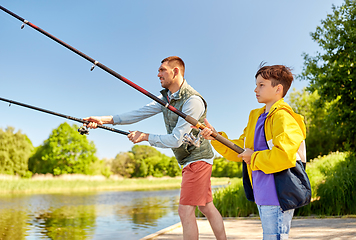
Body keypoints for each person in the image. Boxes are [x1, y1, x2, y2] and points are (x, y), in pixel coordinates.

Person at [83, 56, 226, 240]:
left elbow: (176, 140)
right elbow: (139, 113)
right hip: (187, 160)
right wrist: (103, 120)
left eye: (162, 70)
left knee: (184, 211)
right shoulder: (165, 97)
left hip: (197, 159)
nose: (158, 74)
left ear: (176, 71)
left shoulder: (193, 101)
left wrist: (145, 137)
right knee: (206, 206)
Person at [199, 64, 309, 239]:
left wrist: (254, 157)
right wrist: (216, 137)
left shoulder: (284, 117)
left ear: (278, 89)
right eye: (256, 85)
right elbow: (241, 150)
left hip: (278, 193)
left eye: (261, 85)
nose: (255, 89)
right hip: (261, 193)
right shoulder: (255, 117)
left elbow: (284, 156)